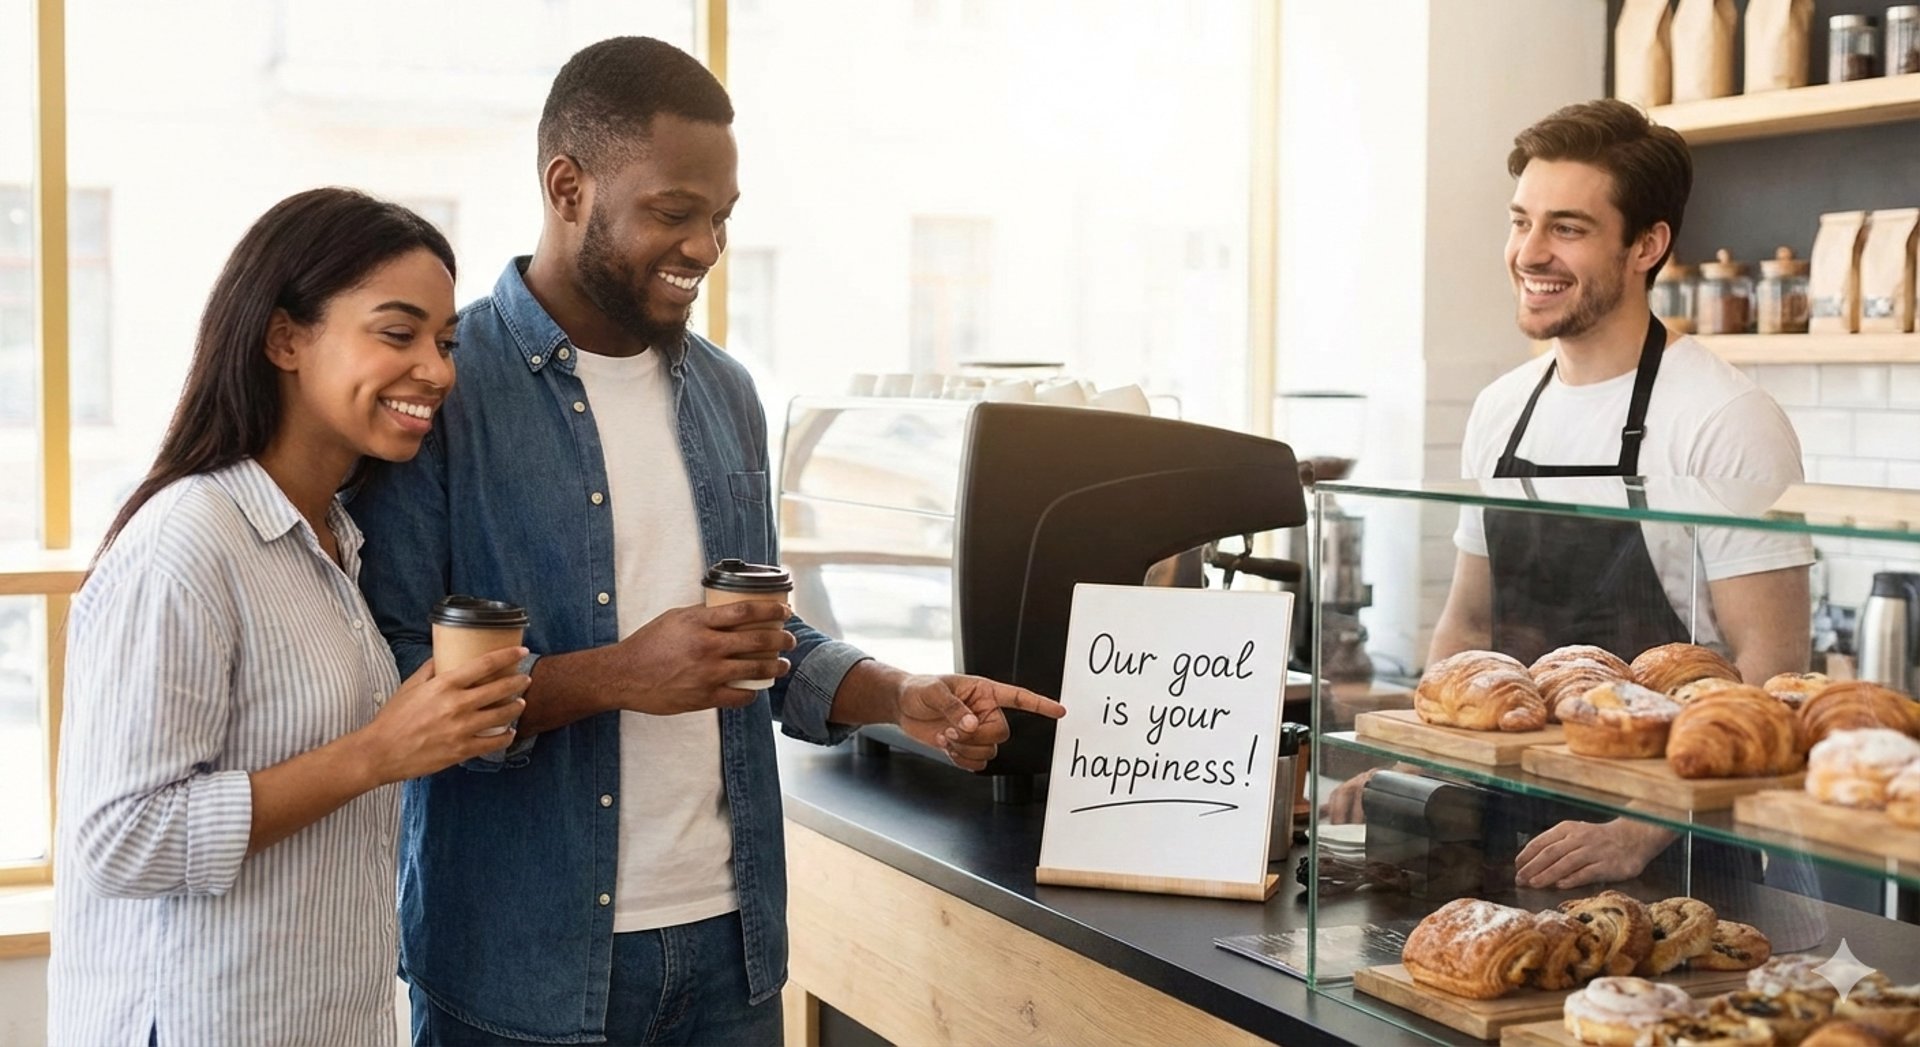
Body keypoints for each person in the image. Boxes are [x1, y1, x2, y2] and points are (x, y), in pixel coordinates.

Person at [350, 37, 1065, 1046]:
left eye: (722, 219)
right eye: (673, 213)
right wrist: (617, 674)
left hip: (730, 960)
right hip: (521, 972)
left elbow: (761, 643)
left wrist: (901, 699)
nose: (703, 248)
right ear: (567, 186)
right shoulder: (443, 391)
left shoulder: (726, 394)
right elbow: (397, 680)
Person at [48, 188, 531, 1046]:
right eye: (398, 332)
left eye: (446, 342)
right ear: (283, 338)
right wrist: (378, 753)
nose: (440, 369)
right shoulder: (187, 543)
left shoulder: (336, 537)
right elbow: (120, 839)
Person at [1326, 100, 1813, 892]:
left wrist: (1634, 831)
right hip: (1499, 824)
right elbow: (1470, 623)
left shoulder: (1725, 417)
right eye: (1521, 221)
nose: (1529, 252)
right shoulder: (1501, 407)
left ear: (1646, 245)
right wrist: (1409, 762)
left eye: (1567, 228)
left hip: (1677, 856)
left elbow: (1770, 664)